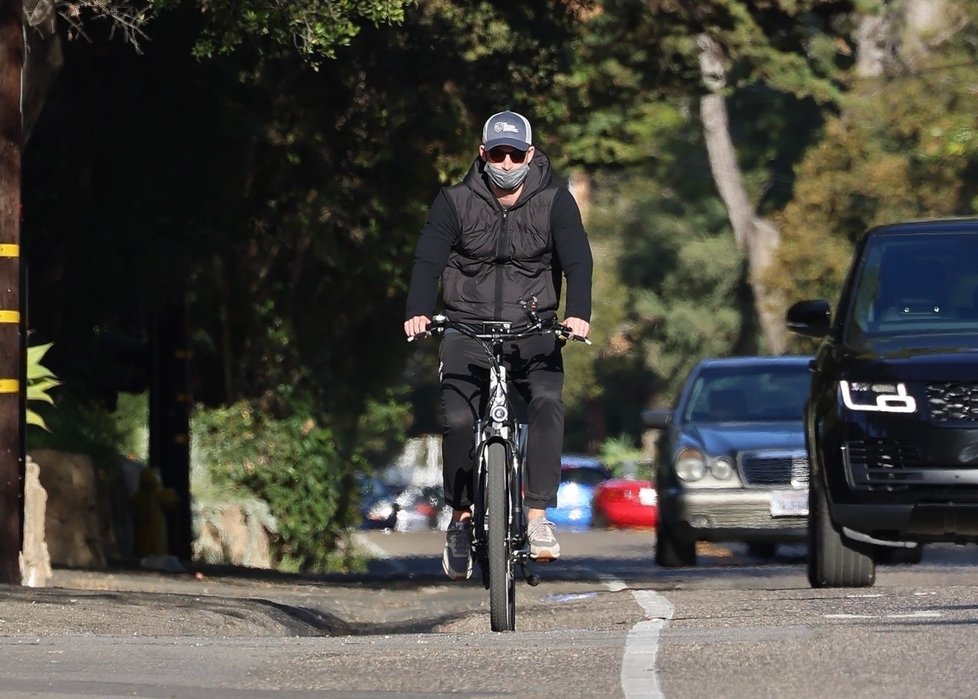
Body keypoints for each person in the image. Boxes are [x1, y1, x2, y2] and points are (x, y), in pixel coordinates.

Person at [403, 110, 593, 580]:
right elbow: (427, 260)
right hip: (466, 328)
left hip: (533, 329)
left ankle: (537, 518)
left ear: (530, 155)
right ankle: (462, 519)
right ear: (482, 154)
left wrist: (578, 314)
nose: (506, 163)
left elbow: (578, 261)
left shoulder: (555, 202)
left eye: (514, 154)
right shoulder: (453, 201)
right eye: (497, 154)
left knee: (548, 400)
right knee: (460, 419)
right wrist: (419, 310)